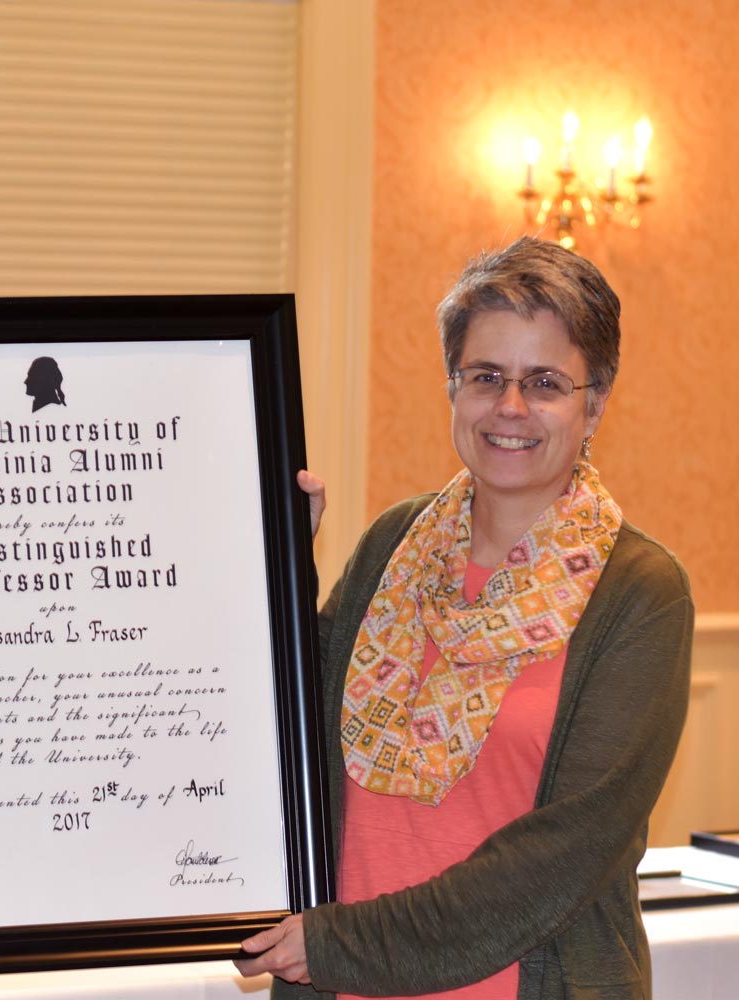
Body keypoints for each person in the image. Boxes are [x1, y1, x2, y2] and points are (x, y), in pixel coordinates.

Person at [236, 237, 693, 999]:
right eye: (486, 377)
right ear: (453, 386)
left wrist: (342, 945)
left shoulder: (641, 594)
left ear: (596, 402)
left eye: (544, 382)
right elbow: (289, 735)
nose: (510, 408)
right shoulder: (393, 544)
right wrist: (275, 567)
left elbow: (560, 859)